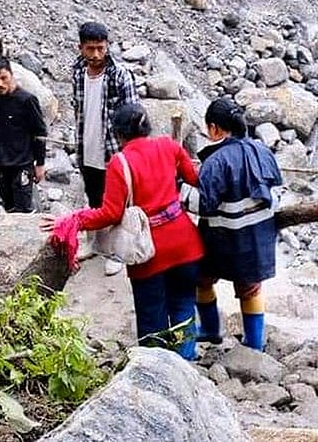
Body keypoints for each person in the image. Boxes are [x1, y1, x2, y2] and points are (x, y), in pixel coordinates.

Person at [42, 103, 203, 359]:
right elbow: (196, 179)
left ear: (118, 134)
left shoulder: (121, 162)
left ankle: (158, 370)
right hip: (187, 244)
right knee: (183, 306)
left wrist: (75, 219)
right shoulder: (170, 146)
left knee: (153, 319)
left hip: (149, 252)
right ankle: (186, 362)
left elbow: (111, 213)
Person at [181, 98, 283, 351]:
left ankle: (211, 329)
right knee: (250, 288)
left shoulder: (215, 162)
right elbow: (277, 192)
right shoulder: (262, 151)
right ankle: (254, 343)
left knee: (203, 280)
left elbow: (203, 204)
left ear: (214, 128)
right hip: (258, 236)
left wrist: (180, 191)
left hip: (221, 237)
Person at [71, 21, 140, 276]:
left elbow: (133, 116)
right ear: (81, 48)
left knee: (119, 204)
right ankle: (94, 244)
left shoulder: (120, 75)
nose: (96, 55)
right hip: (87, 146)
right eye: (91, 49)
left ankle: (119, 251)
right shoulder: (78, 73)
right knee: (94, 198)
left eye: (101, 48)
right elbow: (78, 109)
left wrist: (130, 154)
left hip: (113, 151)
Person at [0, 55, 47, 213]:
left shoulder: (27, 100)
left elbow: (40, 132)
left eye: (3, 78)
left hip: (22, 163)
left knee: (23, 209)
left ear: (11, 75)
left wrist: (40, 164)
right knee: (8, 207)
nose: (0, 84)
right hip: (1, 163)